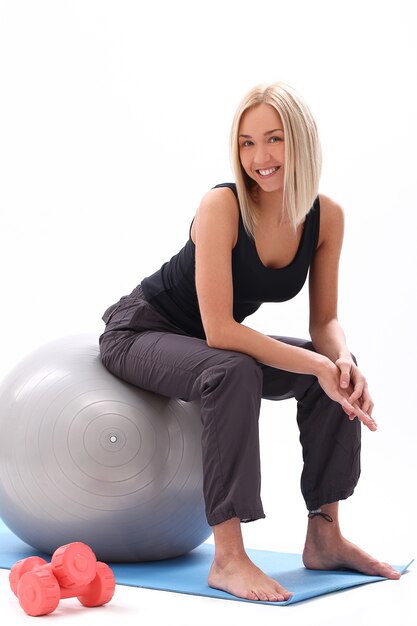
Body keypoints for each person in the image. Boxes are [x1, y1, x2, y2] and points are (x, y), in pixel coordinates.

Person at [99, 81, 401, 602]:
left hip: (207, 343)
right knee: (237, 369)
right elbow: (221, 332)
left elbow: (325, 320)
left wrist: (341, 360)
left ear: (301, 142)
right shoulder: (222, 205)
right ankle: (229, 557)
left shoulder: (326, 216)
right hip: (142, 331)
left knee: (333, 369)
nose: (260, 157)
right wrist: (316, 365)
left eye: (274, 139)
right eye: (246, 142)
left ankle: (325, 535)